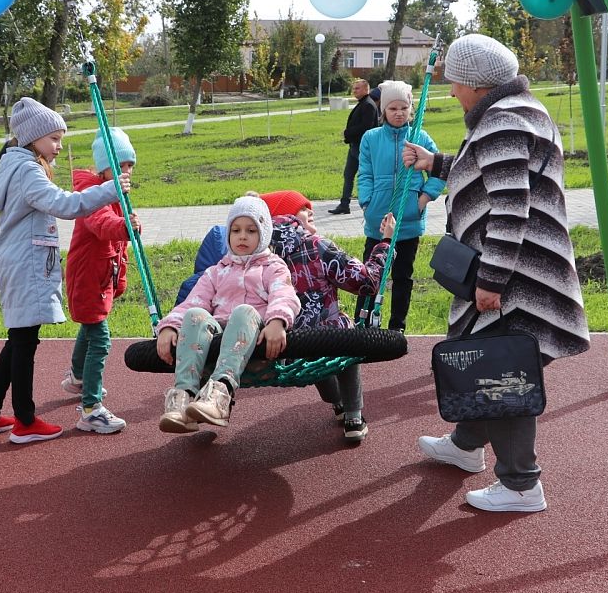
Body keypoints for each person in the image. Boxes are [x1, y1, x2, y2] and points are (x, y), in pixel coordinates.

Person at [403, 33, 590, 513]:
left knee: (505, 375)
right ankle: (466, 446)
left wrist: (492, 280)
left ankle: (522, 485)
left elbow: (510, 211)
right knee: (487, 360)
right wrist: (438, 162)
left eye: (456, 83)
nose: (450, 92)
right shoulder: (516, 115)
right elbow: (490, 172)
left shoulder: (502, 124)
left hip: (517, 281)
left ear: (478, 85)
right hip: (524, 272)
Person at [0, 97, 131, 445]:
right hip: (25, 263)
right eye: (54, 138)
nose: (59, 146)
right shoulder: (27, 170)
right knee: (24, 342)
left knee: (18, 340)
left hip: (19, 260)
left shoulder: (18, 165)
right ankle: (24, 420)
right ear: (34, 137)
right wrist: (110, 189)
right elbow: (65, 205)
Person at [155, 195, 300, 433]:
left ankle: (220, 395)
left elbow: (284, 295)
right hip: (215, 350)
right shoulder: (216, 272)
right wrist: (169, 326)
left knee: (243, 312)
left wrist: (277, 321)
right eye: (236, 230)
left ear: (263, 235)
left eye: (251, 230)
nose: (242, 236)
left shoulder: (273, 267)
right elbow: (193, 302)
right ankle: (184, 398)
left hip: (257, 345)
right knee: (195, 314)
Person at [262, 189, 395, 442]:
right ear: (285, 216)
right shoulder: (317, 246)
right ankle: (353, 415)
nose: (311, 211)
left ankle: (336, 402)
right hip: (328, 338)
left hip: (283, 346)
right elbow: (366, 282)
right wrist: (385, 243)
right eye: (303, 209)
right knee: (344, 332)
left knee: (312, 350)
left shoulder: (257, 255)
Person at [61, 127, 140, 434]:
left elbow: (117, 234)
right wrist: (123, 227)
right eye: (122, 165)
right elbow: (104, 225)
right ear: (104, 167)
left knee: (91, 326)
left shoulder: (114, 193)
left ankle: (78, 377)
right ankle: (91, 408)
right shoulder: (91, 195)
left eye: (131, 165)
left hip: (98, 277)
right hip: (87, 279)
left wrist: (130, 227)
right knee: (101, 338)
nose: (128, 171)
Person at [356, 79, 445, 332]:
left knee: (403, 276)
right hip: (378, 220)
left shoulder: (420, 138)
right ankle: (362, 325)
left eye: (404, 108)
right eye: (393, 109)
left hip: (408, 220)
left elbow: (438, 170)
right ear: (383, 110)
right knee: (370, 274)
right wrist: (367, 203)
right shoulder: (370, 139)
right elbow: (365, 173)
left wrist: (423, 199)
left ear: (411, 110)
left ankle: (397, 326)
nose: (399, 113)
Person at [328, 79, 381, 215]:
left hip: (363, 148)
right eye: (354, 88)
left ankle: (375, 202)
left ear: (365, 89)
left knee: (368, 175)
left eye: (357, 88)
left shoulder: (368, 105)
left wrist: (347, 132)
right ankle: (344, 204)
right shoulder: (362, 104)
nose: (354, 91)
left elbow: (366, 127)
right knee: (348, 175)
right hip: (354, 146)